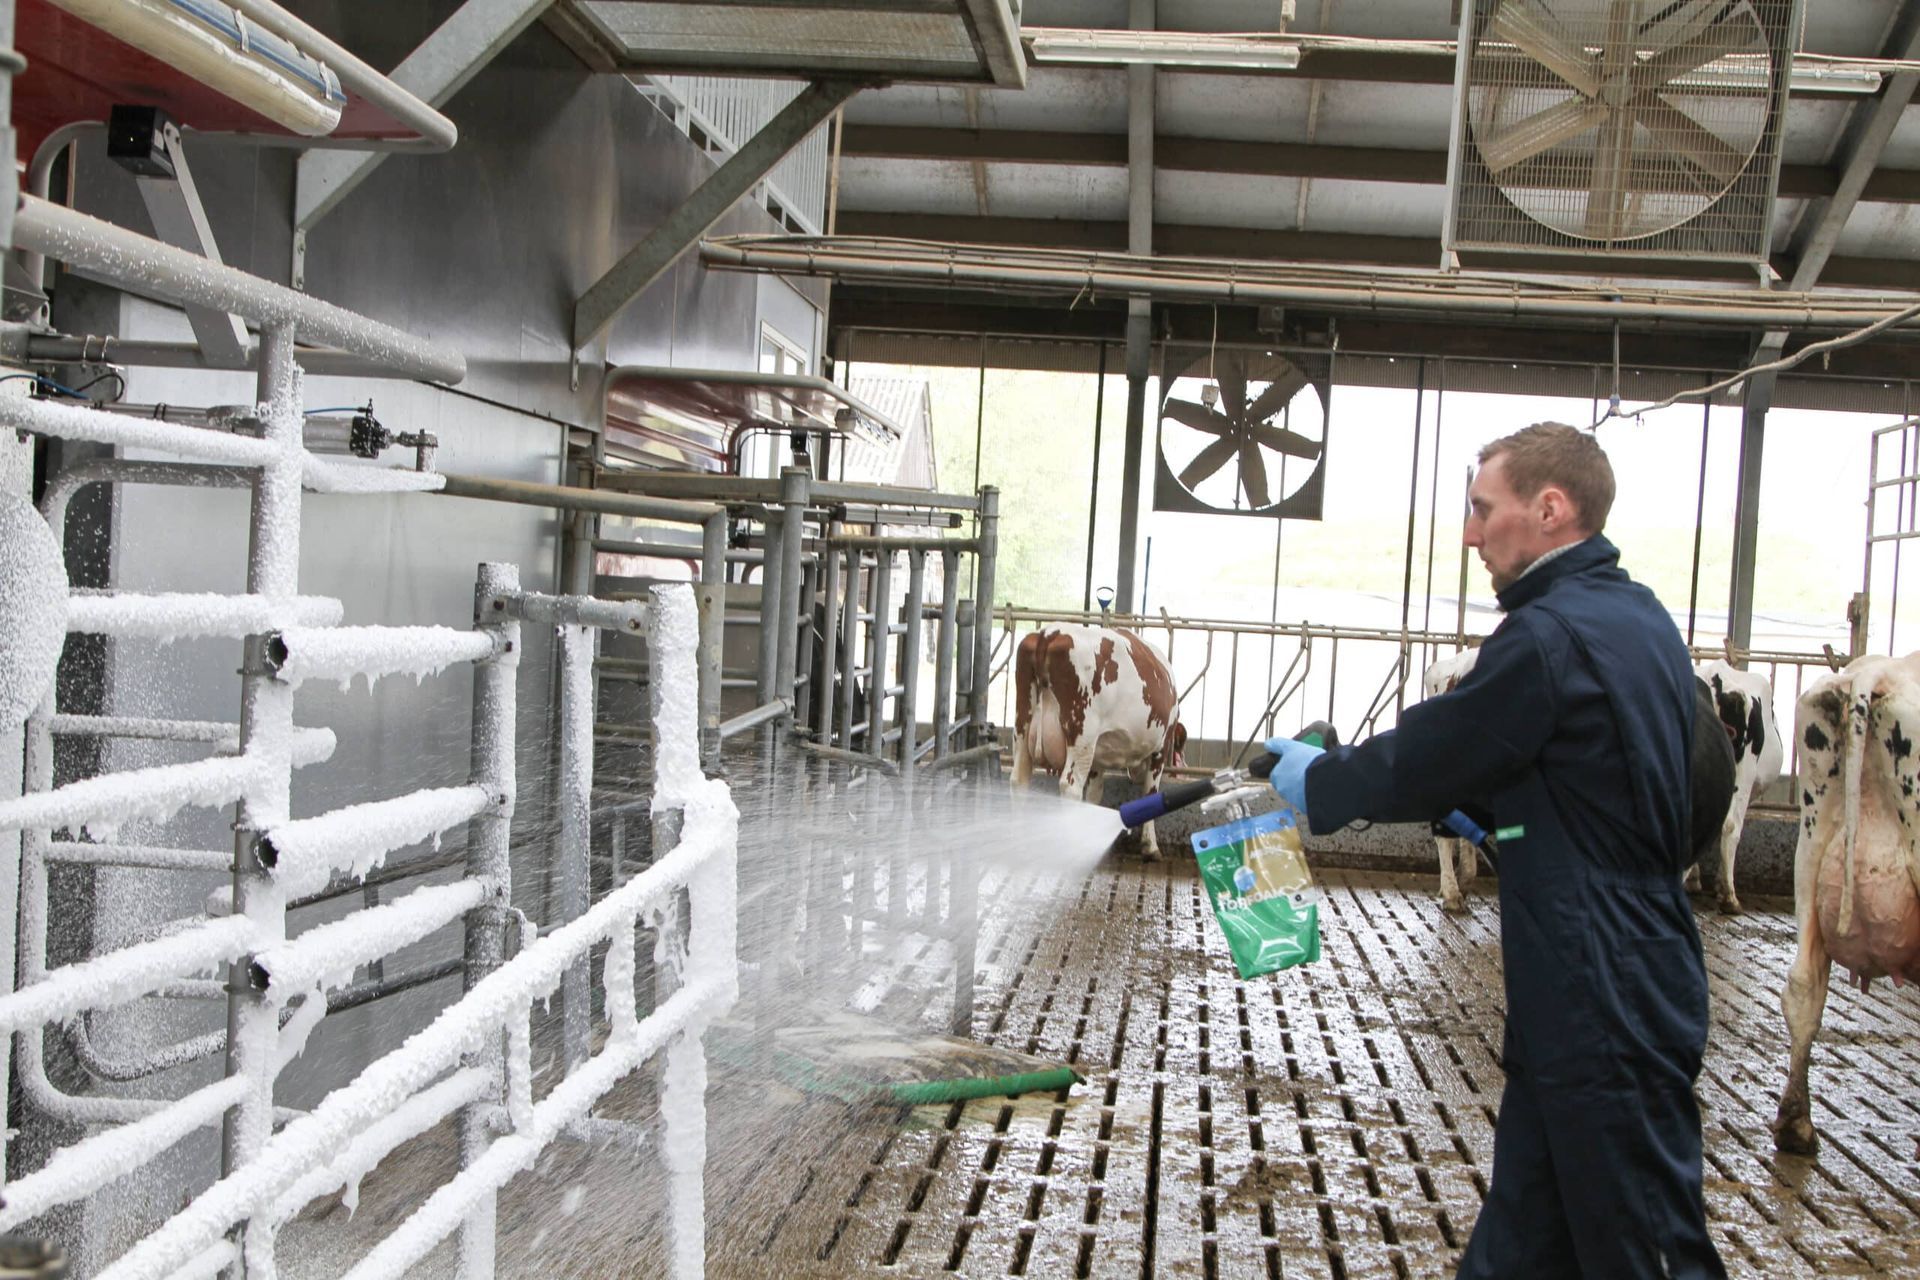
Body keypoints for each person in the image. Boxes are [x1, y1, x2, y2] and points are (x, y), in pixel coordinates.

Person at [1263, 423, 1725, 1279]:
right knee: (1522, 1242)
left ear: (1549, 510)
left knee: (1647, 1249)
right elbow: (1605, 774)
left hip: (1600, 986)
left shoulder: (1547, 639)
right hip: (1601, 971)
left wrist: (1323, 782)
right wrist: (1507, 822)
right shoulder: (1639, 618)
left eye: (1483, 510)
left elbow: (1439, 748)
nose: (1470, 535)